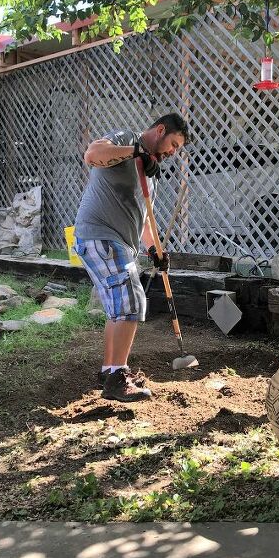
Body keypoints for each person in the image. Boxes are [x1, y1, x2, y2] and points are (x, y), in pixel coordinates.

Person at [74, 113, 190, 402]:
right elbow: (92, 155)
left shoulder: (149, 173)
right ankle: (118, 377)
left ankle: (109, 371)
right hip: (100, 234)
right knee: (131, 299)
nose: (173, 152)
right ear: (160, 130)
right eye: (173, 143)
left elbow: (145, 223)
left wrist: (155, 251)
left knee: (118, 307)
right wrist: (135, 150)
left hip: (120, 242)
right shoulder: (126, 139)